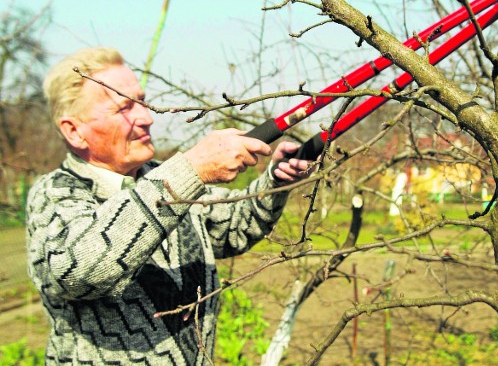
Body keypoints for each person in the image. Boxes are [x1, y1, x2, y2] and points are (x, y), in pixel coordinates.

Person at [26, 47, 312, 366]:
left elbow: (231, 229)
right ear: (74, 131)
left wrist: (274, 181)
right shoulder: (56, 193)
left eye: (142, 101)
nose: (147, 118)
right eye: (124, 108)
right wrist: (192, 168)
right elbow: (77, 271)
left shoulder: (159, 178)